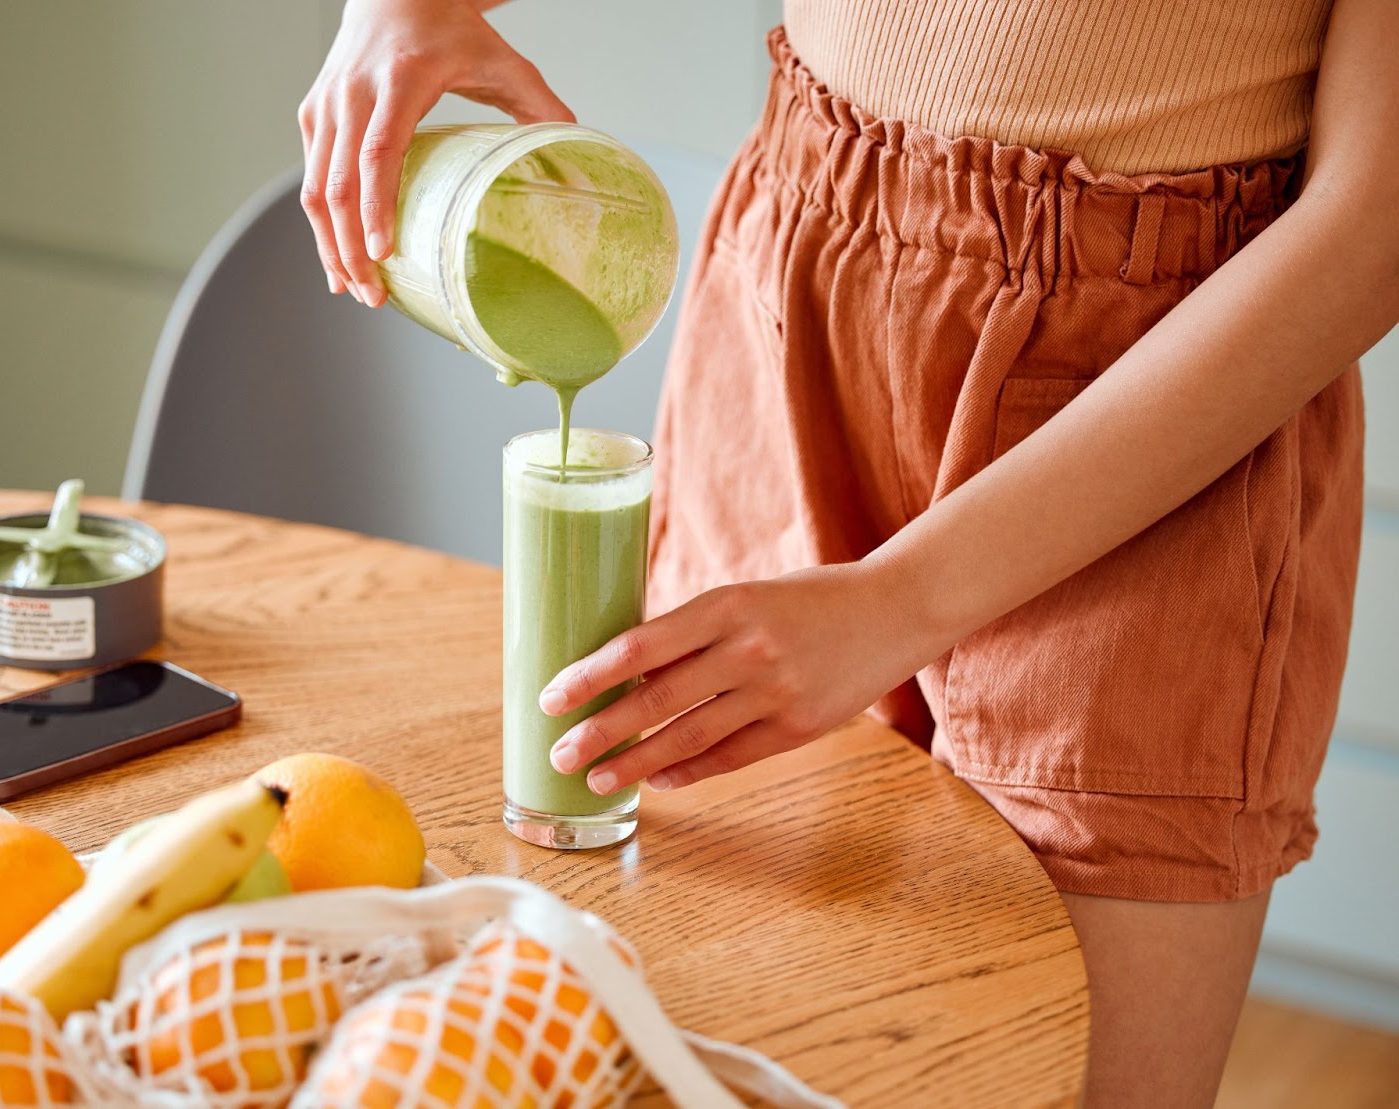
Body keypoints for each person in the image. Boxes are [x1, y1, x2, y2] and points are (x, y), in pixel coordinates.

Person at [299, 2, 1396, 1103]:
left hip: (1149, 441)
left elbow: (1373, 230)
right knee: (716, 1054)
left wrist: (899, 597)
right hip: (800, 319)